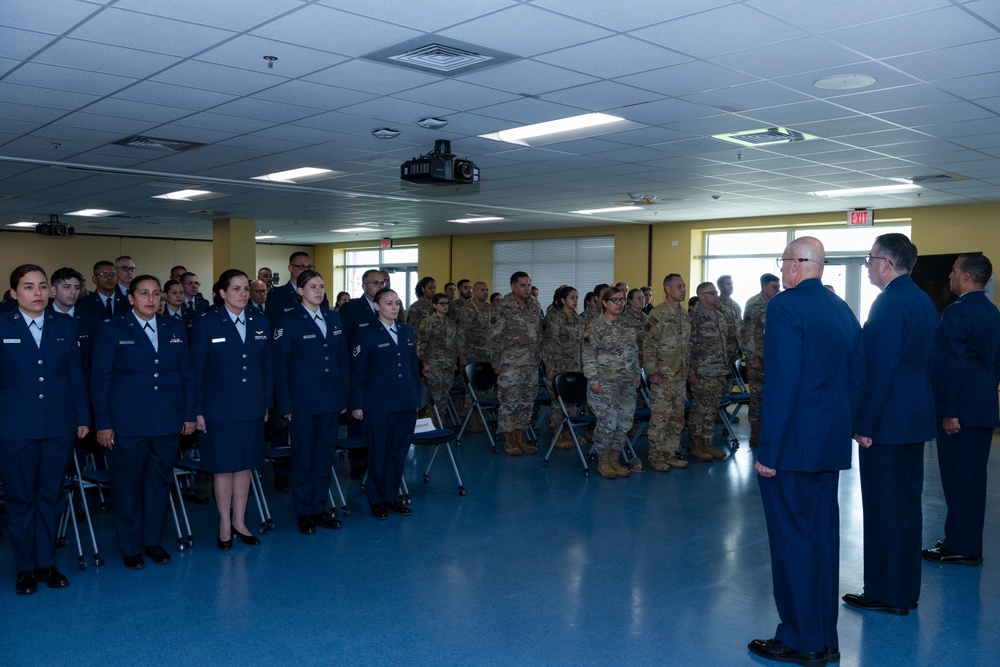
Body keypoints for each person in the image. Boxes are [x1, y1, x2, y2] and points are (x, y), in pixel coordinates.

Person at [749, 237, 863, 667]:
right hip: (827, 444)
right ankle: (824, 636)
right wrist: (844, 425)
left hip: (793, 447)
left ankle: (799, 639)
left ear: (799, 265)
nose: (781, 269)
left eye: (784, 262)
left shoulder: (785, 306)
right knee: (822, 539)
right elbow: (857, 375)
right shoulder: (841, 308)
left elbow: (782, 383)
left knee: (792, 542)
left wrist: (770, 450)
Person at [839, 234, 938, 615]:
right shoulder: (921, 300)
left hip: (887, 423)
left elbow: (878, 372)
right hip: (913, 416)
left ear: (886, 263)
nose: (866, 265)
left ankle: (886, 593)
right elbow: (930, 362)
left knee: (884, 509)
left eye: (869, 258)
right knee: (907, 509)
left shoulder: (888, 304)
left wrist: (865, 423)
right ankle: (904, 589)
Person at [91, 275, 196, 569]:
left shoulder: (173, 327)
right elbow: (100, 380)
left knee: (158, 483)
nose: (151, 299)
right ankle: (130, 545)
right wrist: (103, 423)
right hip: (127, 422)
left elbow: (187, 374)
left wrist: (188, 414)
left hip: (166, 419)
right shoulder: (112, 329)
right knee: (127, 485)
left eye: (156, 294)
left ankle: (152, 540)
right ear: (131, 298)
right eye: (144, 294)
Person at [0, 265, 90, 595]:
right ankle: (25, 568)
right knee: (21, 498)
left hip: (57, 424)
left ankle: (46, 562)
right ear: (14, 294)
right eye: (28, 287)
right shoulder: (2, 325)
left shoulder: (65, 324)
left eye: (41, 286)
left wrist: (82, 416)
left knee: (50, 497)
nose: (37, 292)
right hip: (14, 427)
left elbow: (74, 375)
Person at [922, 252, 1000, 566]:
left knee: (958, 481)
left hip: (960, 412)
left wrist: (950, 411)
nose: (950, 277)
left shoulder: (956, 313)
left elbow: (951, 366)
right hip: (981, 405)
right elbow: (995, 363)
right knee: (972, 478)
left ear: (967, 276)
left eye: (954, 271)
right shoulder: (993, 311)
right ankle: (959, 539)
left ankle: (963, 547)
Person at [191, 269, 272, 550]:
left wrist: (266, 403)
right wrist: (197, 409)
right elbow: (196, 370)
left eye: (245, 289)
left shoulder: (260, 321)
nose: (243, 294)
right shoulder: (207, 324)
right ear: (222, 293)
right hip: (219, 408)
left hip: (251, 405)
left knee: (244, 467)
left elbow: (266, 367)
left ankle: (240, 521)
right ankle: (224, 524)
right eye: (236, 289)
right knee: (224, 468)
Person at [272, 270, 349, 535]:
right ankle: (304, 511)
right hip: (302, 403)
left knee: (323, 457)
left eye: (322, 286)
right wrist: (285, 405)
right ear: (301, 291)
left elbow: (342, 360)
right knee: (303, 458)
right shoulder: (288, 320)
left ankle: (320, 507)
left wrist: (342, 396)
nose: (319, 291)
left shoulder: (333, 317)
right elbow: (280, 367)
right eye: (313, 286)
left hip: (329, 400)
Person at [349, 288, 420, 520]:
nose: (394, 307)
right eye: (388, 303)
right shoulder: (367, 333)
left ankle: (392, 496)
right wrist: (357, 403)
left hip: (405, 402)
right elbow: (358, 372)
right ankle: (376, 499)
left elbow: (412, 369)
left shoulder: (406, 331)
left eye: (397, 303)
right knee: (378, 453)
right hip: (377, 404)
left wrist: (416, 398)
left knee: (397, 453)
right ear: (377, 307)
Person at [584, 287, 640, 479]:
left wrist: (637, 374)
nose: (619, 304)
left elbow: (634, 352)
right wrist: (593, 379)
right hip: (605, 383)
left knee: (623, 423)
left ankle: (614, 460)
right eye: (615, 300)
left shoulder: (627, 325)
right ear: (605, 303)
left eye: (622, 300)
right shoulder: (596, 326)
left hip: (626, 382)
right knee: (607, 423)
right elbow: (588, 354)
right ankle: (603, 461)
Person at [642, 274, 691, 472]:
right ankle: (656, 456)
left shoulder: (684, 314)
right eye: (679, 286)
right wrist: (652, 371)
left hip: (680, 375)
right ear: (668, 289)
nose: (683, 289)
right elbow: (648, 345)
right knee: (661, 418)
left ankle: (670, 453)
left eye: (684, 286)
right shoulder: (658, 314)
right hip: (663, 375)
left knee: (677, 418)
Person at [491, 271, 543, 456]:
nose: (527, 288)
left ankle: (521, 437)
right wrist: (495, 362)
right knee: (509, 402)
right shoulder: (503, 306)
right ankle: (509, 440)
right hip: (510, 363)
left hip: (531, 362)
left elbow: (539, 333)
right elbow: (494, 337)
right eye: (523, 285)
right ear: (513, 286)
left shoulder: (534, 305)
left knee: (527, 402)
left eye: (529, 284)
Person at [687, 282, 737, 462]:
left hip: (718, 371)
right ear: (701, 296)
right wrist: (691, 372)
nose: (716, 295)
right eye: (711, 293)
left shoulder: (719, 316)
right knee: (700, 409)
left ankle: (707, 443)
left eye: (716, 292)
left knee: (711, 409)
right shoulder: (694, 318)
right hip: (701, 371)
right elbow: (689, 347)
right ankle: (696, 444)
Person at [740, 273, 780, 447]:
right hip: (758, 360)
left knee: (771, 397)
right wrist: (752, 358)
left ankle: (769, 433)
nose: (778, 290)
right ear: (764, 287)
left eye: (778, 286)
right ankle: (755, 435)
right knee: (757, 398)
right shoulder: (754, 305)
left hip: (772, 359)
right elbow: (747, 334)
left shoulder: (777, 303)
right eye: (774, 287)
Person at [542, 286, 584, 449]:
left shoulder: (580, 320)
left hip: (575, 366)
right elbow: (548, 345)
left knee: (572, 403)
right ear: (563, 300)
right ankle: (557, 434)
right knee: (558, 403)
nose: (575, 301)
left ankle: (569, 433)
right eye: (572, 297)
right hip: (558, 365)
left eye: (576, 297)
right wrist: (550, 367)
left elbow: (583, 344)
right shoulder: (554, 319)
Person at [416, 292, 459, 420]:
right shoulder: (428, 322)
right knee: (434, 397)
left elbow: (454, 344)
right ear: (435, 305)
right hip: (433, 365)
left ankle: (440, 425)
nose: (445, 306)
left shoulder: (451, 323)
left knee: (444, 397)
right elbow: (421, 344)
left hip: (449, 365)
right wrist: (424, 363)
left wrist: (455, 362)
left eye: (447, 303)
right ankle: (431, 425)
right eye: (442, 304)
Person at [622, 287, 648, 356]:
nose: (642, 300)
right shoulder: (624, 317)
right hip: (631, 356)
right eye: (638, 298)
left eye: (643, 297)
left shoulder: (646, 317)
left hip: (645, 356)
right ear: (630, 301)